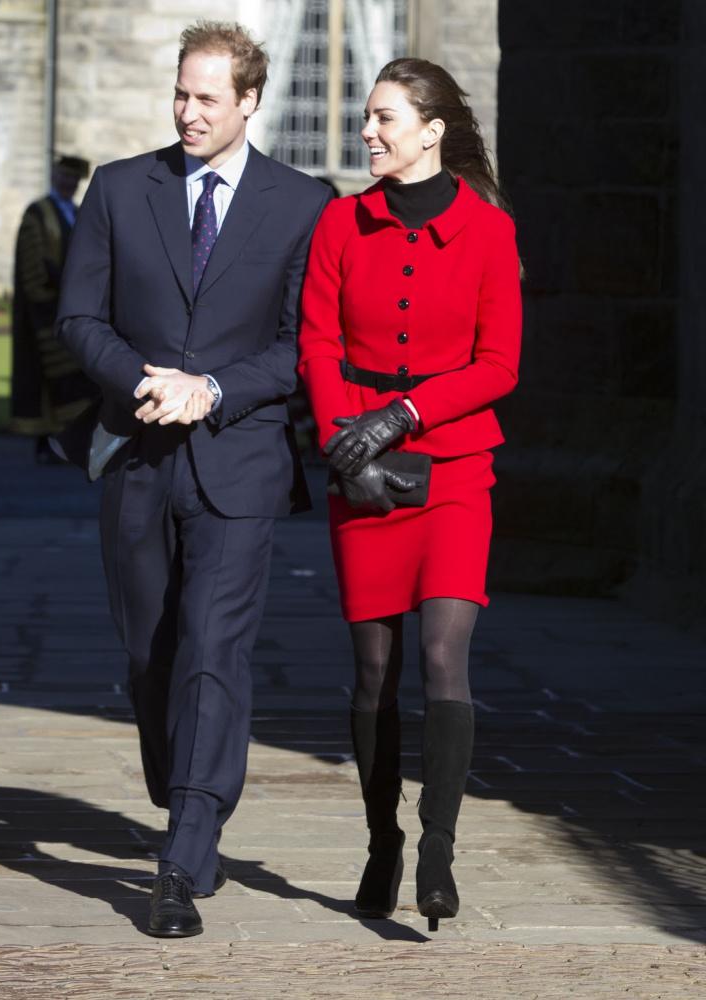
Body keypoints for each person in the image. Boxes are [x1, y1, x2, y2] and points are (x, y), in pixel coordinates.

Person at [55, 21, 331, 938]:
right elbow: (80, 317)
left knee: (215, 651)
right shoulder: (119, 190)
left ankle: (184, 846)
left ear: (250, 101)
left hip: (240, 464)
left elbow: (300, 347)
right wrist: (145, 381)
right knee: (153, 658)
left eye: (208, 98)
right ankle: (186, 796)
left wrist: (209, 388)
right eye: (181, 93)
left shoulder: (302, 203)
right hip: (136, 457)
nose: (188, 112)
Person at [298, 58, 522, 932]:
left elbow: (500, 365)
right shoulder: (340, 223)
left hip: (458, 469)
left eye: (384, 118)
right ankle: (381, 839)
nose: (368, 132)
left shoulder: (491, 233)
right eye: (365, 116)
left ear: (431, 130)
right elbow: (316, 343)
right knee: (374, 671)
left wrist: (404, 413)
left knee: (440, 658)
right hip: (362, 470)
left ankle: (436, 849)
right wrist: (342, 441)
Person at [10, 155, 98, 462]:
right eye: (63, 176)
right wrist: (54, 290)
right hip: (44, 307)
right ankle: (45, 444)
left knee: (78, 377)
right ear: (54, 176)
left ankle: (68, 444)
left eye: (73, 178)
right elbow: (32, 263)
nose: (68, 182)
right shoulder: (38, 213)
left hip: (75, 306)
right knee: (44, 374)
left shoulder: (76, 212)